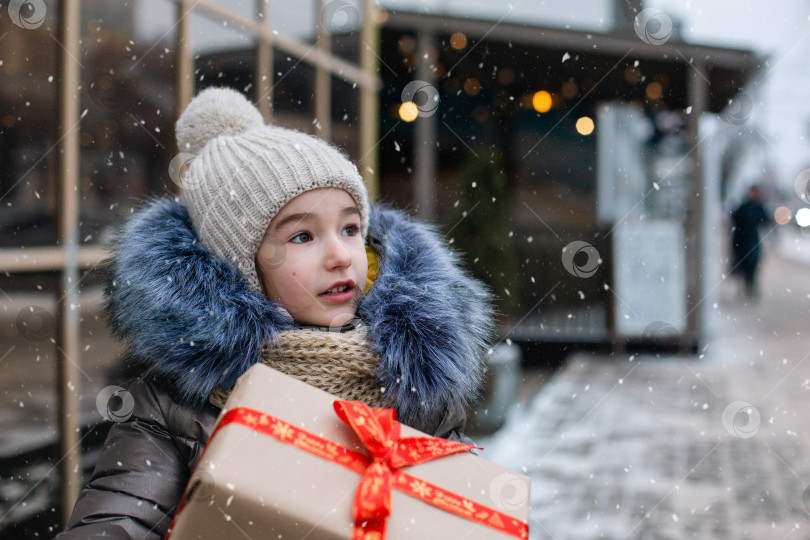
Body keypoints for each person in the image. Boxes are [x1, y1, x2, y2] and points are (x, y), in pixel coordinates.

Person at [57, 88, 494, 538]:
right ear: (241, 270)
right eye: (302, 237)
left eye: (349, 229)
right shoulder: (175, 406)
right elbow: (117, 520)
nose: (341, 256)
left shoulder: (413, 383)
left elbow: (461, 515)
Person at [730, 185, 770, 299]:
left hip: (752, 241)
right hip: (742, 240)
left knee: (752, 266)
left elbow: (766, 220)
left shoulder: (759, 207)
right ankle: (744, 289)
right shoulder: (744, 206)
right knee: (742, 266)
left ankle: (750, 288)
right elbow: (735, 218)